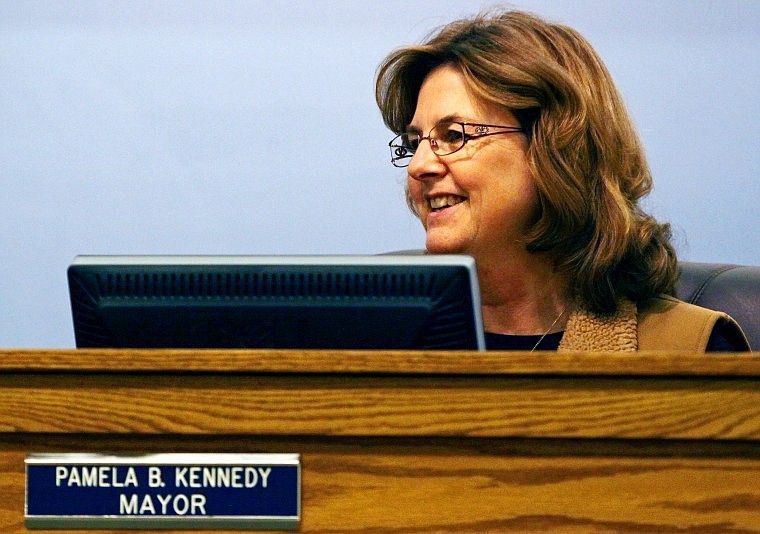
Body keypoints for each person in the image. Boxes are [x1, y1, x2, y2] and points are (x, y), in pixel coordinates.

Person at [375, 9, 750, 352]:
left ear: (555, 148)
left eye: (455, 136)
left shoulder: (689, 348)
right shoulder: (376, 340)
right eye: (414, 142)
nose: (418, 165)